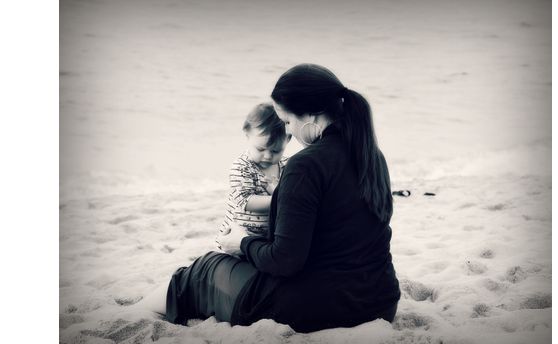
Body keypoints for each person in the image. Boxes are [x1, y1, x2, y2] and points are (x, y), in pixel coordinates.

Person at [140, 64, 401, 333]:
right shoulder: (371, 154)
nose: (291, 135)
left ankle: (135, 314)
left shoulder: (305, 165)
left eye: (288, 122)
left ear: (310, 115)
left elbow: (285, 261)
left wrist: (241, 242)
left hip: (319, 310)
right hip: (380, 303)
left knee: (203, 269)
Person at [218, 103, 290, 238]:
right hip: (236, 239)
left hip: (268, 239)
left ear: (288, 139)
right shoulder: (241, 167)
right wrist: (280, 199)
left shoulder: (287, 166)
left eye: (275, 150)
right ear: (247, 135)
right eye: (260, 149)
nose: (268, 156)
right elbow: (246, 201)